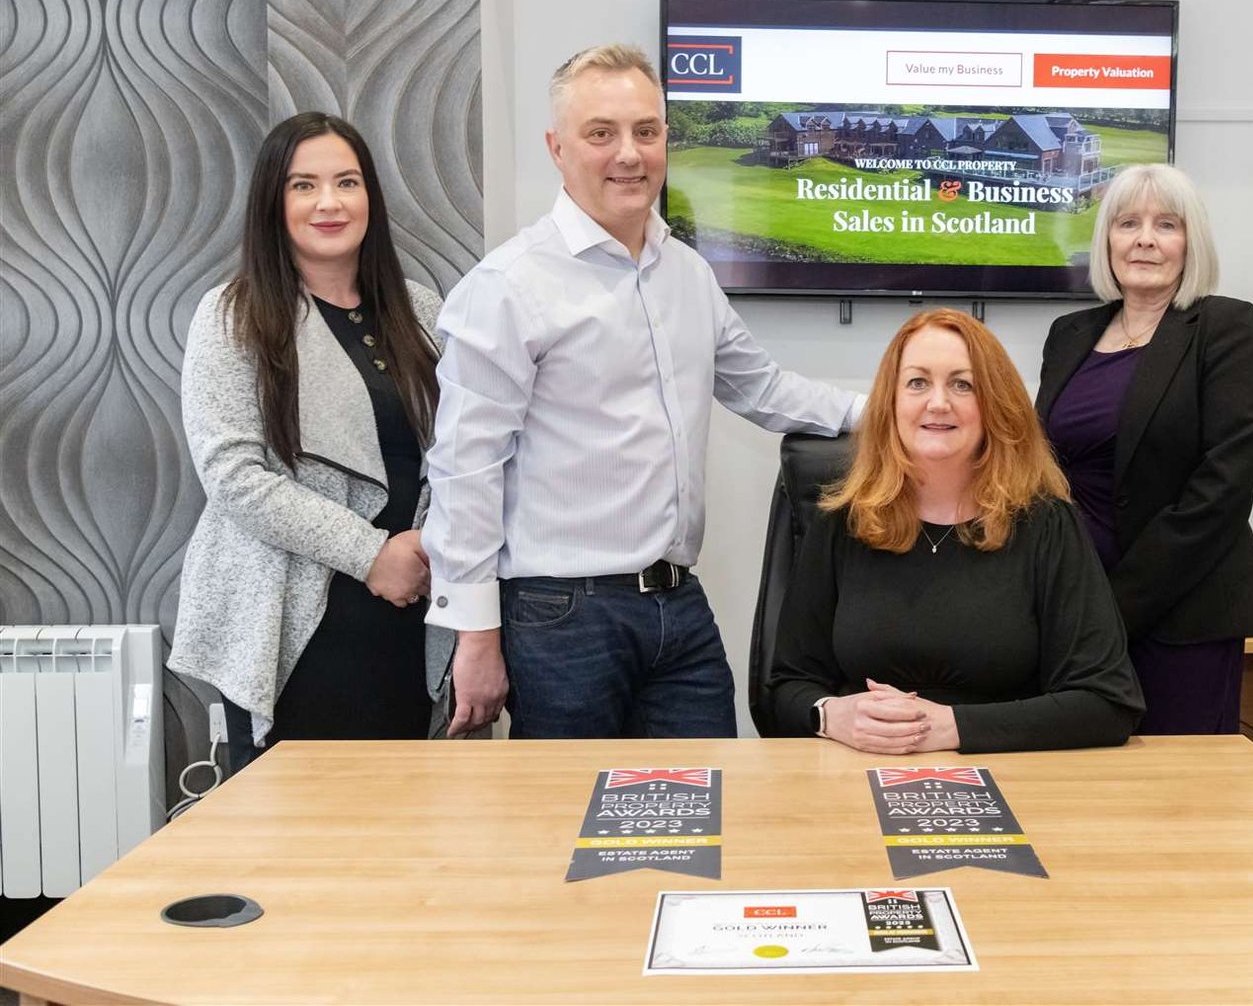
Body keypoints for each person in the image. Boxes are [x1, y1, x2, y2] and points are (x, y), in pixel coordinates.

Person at [422, 44, 863, 740]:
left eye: (646, 131)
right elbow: (464, 468)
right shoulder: (508, 286)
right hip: (558, 616)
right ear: (557, 148)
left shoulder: (685, 272)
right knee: (568, 831)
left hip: (678, 607)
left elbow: (763, 387)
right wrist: (474, 634)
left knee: (703, 820)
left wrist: (886, 413)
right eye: (601, 133)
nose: (629, 153)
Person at [170, 112, 452, 765]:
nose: (329, 202)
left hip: (416, 615)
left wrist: (430, 546)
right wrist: (372, 552)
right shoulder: (235, 313)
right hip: (295, 623)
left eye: (347, 182)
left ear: (371, 199)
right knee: (296, 850)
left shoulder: (424, 313)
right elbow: (234, 475)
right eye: (304, 185)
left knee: (417, 837)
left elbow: (466, 457)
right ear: (274, 200)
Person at [766, 309, 1143, 754]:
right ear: (891, 402)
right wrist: (832, 716)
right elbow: (784, 688)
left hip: (1011, 780)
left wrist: (952, 727)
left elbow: (1107, 703)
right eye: (917, 383)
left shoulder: (1045, 524)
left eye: (962, 384)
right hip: (858, 778)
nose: (938, 402)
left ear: (994, 406)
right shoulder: (844, 522)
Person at [1036, 163, 1253, 735]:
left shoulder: (1226, 327)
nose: (1144, 239)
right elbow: (1040, 469)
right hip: (1076, 610)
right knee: (1083, 793)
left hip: (1182, 613)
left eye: (1166, 224)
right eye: (1128, 224)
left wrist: (1118, 606)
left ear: (1191, 242)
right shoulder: (1069, 334)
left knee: (1179, 806)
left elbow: (1222, 488)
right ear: (1107, 240)